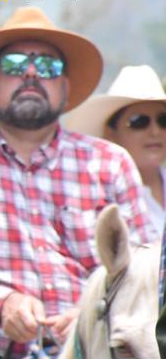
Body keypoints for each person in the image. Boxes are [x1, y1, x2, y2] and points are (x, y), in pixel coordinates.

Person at [0, 7, 158, 359]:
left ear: (66, 87)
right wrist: (0, 305)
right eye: (15, 64)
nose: (32, 74)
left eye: (49, 67)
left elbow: (147, 268)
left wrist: (89, 314)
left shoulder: (108, 163)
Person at [65, 64, 166, 233]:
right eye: (138, 122)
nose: (155, 131)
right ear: (110, 133)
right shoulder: (95, 194)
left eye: (163, 121)